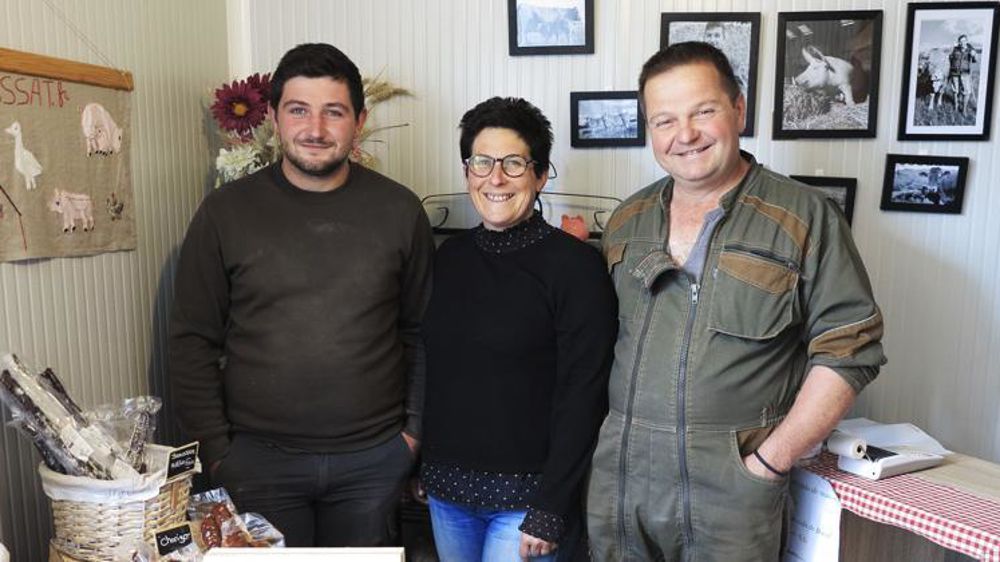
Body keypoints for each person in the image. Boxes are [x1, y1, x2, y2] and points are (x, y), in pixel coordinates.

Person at [587, 42, 886, 561]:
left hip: (732, 492)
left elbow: (849, 351)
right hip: (622, 479)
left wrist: (769, 462)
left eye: (703, 111)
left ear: (738, 109)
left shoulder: (804, 216)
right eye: (664, 120)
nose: (685, 135)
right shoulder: (626, 221)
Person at [169, 43, 433, 547]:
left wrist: (411, 436)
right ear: (272, 117)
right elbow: (191, 341)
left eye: (333, 112)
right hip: (257, 462)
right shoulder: (224, 214)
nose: (315, 129)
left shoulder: (400, 211)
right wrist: (219, 450)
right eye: (298, 110)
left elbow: (423, 332)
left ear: (359, 120)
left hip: (373, 461)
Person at [420, 97, 617, 562]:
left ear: (541, 174)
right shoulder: (447, 259)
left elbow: (584, 393)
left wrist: (552, 505)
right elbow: (434, 369)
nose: (496, 177)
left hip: (529, 502)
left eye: (513, 163)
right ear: (468, 170)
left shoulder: (575, 269)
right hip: (447, 491)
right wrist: (422, 469)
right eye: (482, 162)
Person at [948, 34, 977, 113]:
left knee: (966, 91)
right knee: (955, 90)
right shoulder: (955, 49)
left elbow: (974, 60)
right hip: (955, 71)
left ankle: (964, 109)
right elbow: (950, 58)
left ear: (966, 41)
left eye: (964, 41)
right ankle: (956, 105)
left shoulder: (970, 50)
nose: (962, 43)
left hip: (965, 73)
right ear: (959, 42)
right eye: (960, 41)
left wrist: (973, 55)